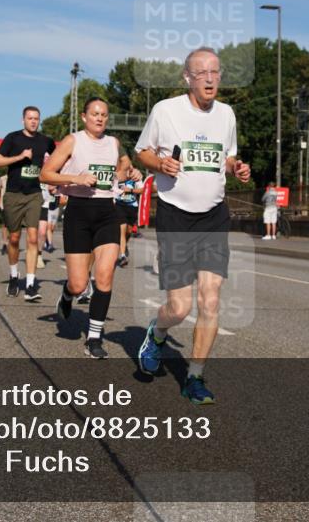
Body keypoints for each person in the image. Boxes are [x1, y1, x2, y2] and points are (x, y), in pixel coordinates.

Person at [135, 47, 250, 404]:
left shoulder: (227, 114)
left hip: (214, 215)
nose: (211, 78)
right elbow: (141, 152)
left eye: (216, 71)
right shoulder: (165, 110)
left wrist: (236, 168)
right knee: (180, 308)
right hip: (176, 215)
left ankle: (195, 378)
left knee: (211, 299)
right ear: (187, 77)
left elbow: (226, 156)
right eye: (202, 72)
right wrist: (160, 165)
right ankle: (157, 332)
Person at [41, 97, 141, 359]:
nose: (100, 118)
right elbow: (46, 174)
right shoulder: (73, 140)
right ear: (84, 117)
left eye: (104, 115)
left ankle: (94, 337)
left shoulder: (113, 143)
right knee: (78, 284)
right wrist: (76, 177)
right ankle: (66, 295)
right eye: (95, 114)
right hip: (79, 214)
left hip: (107, 213)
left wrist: (131, 173)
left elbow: (120, 171)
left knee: (105, 276)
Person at [0, 107, 55, 301]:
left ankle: (30, 284)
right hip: (13, 194)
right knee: (13, 238)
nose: (33, 122)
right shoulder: (12, 138)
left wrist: (56, 181)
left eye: (36, 119)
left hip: (34, 194)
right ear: (23, 120)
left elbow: (61, 158)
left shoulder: (45, 141)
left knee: (34, 237)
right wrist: (20, 157)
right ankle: (13, 275)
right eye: (30, 118)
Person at [115, 173, 144, 267]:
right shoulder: (117, 176)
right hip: (119, 206)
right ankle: (123, 256)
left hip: (132, 207)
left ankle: (124, 245)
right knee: (122, 230)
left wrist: (130, 190)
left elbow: (142, 190)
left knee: (129, 231)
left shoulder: (135, 177)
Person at [0, 173, 8, 255]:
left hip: (17, 204)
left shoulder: (19, 177)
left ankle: (12, 242)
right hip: (5, 204)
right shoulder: (3, 178)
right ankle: (4, 244)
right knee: (5, 225)